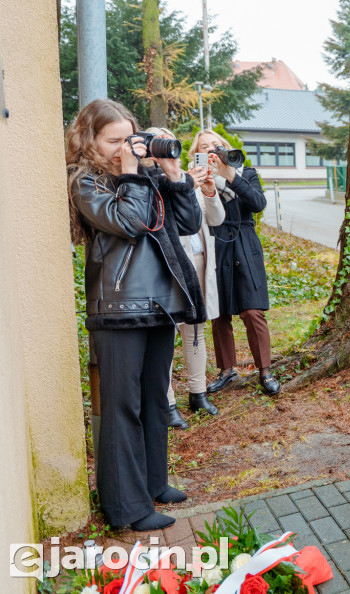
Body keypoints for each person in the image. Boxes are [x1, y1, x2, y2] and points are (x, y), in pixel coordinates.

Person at [66, 99, 205, 530]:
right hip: (118, 309)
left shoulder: (145, 177)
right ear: (89, 140)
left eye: (129, 138)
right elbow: (127, 222)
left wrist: (173, 175)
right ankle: (126, 508)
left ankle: (152, 483)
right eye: (113, 140)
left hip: (160, 304)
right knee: (122, 407)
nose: (123, 147)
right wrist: (131, 174)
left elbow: (187, 222)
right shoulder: (85, 182)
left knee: (153, 401)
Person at [145, 128, 225, 430]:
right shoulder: (147, 179)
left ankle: (198, 392)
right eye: (157, 142)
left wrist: (206, 190)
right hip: (168, 262)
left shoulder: (185, 176)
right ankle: (167, 404)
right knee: (166, 334)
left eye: (169, 141)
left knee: (195, 331)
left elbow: (213, 219)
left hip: (199, 261)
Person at [201, 130, 280, 396]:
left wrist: (230, 175)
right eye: (205, 147)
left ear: (226, 148)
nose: (212, 150)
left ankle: (265, 370)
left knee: (252, 310)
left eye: (217, 145)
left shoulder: (246, 173)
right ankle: (226, 370)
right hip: (214, 243)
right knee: (219, 313)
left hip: (245, 242)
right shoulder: (194, 179)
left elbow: (258, 203)